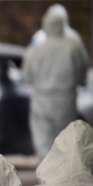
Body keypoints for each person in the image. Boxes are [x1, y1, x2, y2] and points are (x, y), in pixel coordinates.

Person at [23, 12, 89, 163]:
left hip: (41, 101)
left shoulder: (35, 50)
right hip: (65, 101)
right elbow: (82, 76)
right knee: (65, 144)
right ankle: (64, 182)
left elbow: (26, 77)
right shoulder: (73, 48)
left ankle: (46, 183)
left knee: (43, 144)